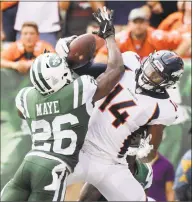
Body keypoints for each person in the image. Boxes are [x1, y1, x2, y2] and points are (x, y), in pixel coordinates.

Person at [0, 7, 125, 201]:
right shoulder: (77, 90)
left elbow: (22, 110)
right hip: (54, 166)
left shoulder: (27, 96)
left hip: (29, 162)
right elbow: (115, 70)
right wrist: (109, 37)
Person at [66, 49, 184, 201]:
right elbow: (92, 70)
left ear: (167, 82)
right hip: (84, 141)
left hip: (111, 159)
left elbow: (150, 153)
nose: (148, 75)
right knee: (47, 179)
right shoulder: (129, 63)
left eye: (155, 75)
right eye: (149, 68)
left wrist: (139, 149)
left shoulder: (163, 108)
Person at [94, 7, 184, 63]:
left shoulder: (157, 37)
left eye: (141, 22)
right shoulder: (120, 39)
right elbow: (99, 58)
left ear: (147, 23)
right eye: (135, 22)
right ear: (129, 24)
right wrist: (121, 64)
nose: (138, 26)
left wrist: (171, 60)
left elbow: (186, 40)